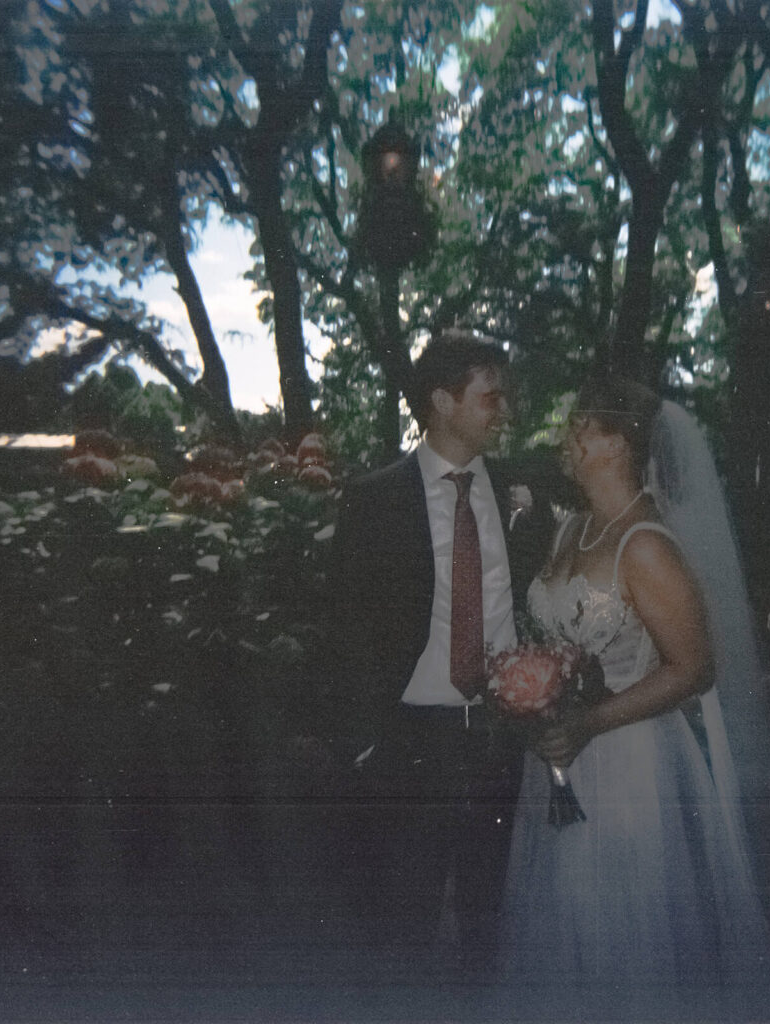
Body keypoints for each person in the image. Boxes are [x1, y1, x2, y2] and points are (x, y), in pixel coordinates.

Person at [500, 375, 770, 1017]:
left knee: (619, 927)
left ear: (619, 445)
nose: (564, 441)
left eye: (580, 429)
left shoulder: (647, 545)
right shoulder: (569, 528)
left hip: (630, 761)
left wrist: (589, 721)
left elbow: (692, 668)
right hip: (559, 756)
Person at [327, 331, 555, 978]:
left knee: (490, 917)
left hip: (498, 737)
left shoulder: (522, 492)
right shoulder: (374, 499)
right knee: (402, 920)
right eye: (491, 397)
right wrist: (364, 743)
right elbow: (347, 627)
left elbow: (541, 602)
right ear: (442, 401)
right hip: (409, 741)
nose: (504, 410)